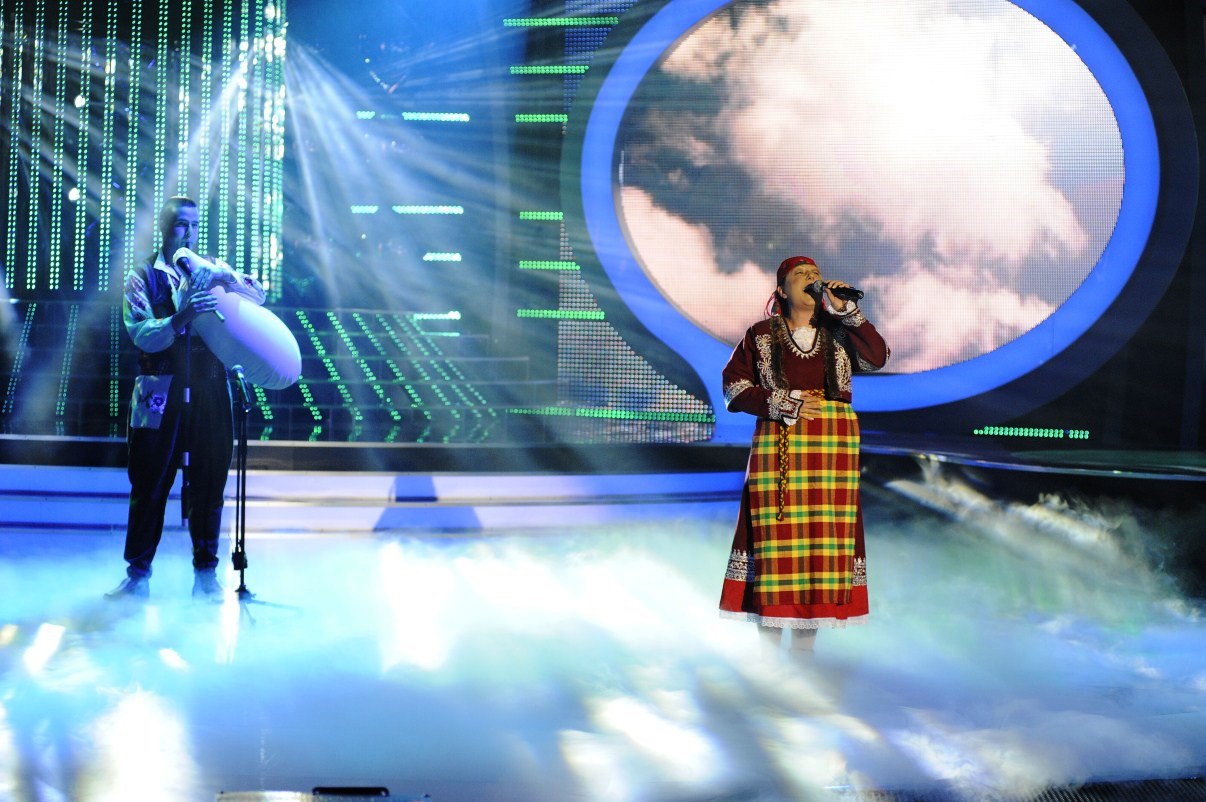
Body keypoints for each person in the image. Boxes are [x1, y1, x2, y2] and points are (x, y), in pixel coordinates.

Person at [719, 255, 889, 658]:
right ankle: (768, 660)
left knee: (821, 545)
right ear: (782, 290)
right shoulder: (761, 335)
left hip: (832, 450)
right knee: (775, 543)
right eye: (801, 275)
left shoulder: (840, 331)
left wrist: (847, 310)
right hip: (779, 443)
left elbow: (878, 357)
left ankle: (803, 660)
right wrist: (784, 402)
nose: (812, 278)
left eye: (815, 274)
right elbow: (733, 388)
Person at [106, 196, 266, 600]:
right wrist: (182, 317)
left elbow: (258, 296)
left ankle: (206, 575)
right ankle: (138, 575)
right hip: (158, 386)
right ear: (165, 227)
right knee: (149, 480)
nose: (189, 233)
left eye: (194, 225)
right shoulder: (143, 276)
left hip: (211, 383)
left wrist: (225, 276)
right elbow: (141, 332)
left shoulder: (209, 269)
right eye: (181, 224)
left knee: (210, 479)